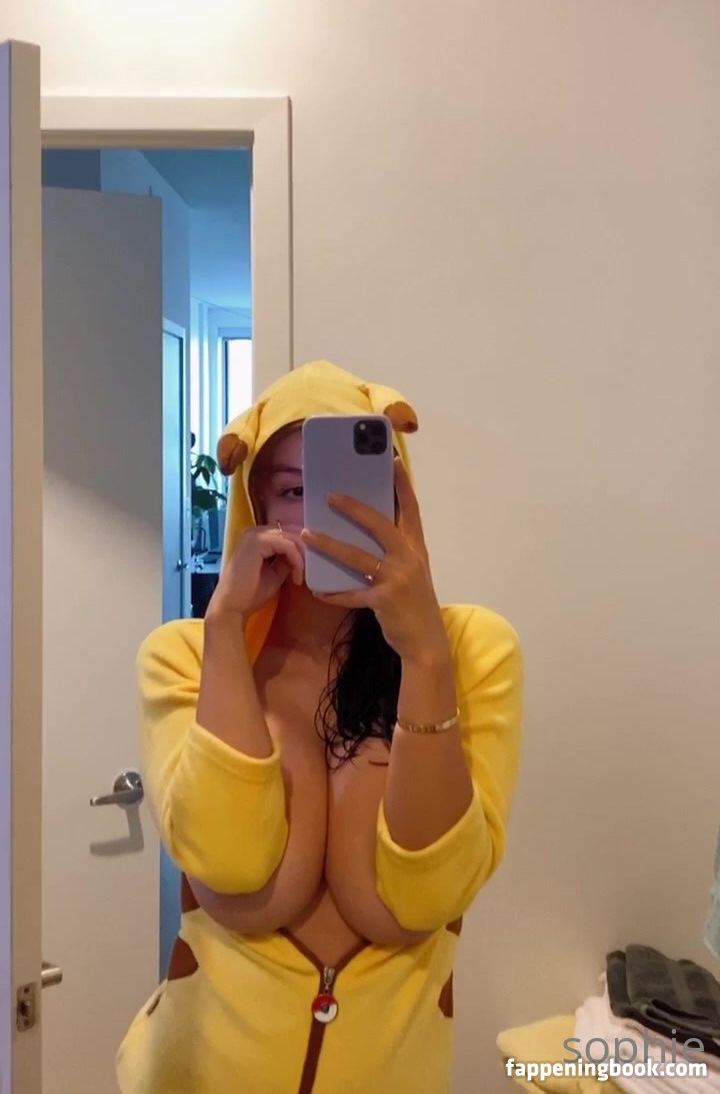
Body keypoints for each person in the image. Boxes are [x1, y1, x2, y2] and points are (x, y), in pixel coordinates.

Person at [116, 358, 524, 1094]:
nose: (322, 519)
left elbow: (433, 893)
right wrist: (226, 631)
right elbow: (225, 859)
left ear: (397, 498)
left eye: (351, 491)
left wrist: (424, 657)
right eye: (294, 491)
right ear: (255, 508)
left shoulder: (472, 651)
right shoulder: (186, 655)